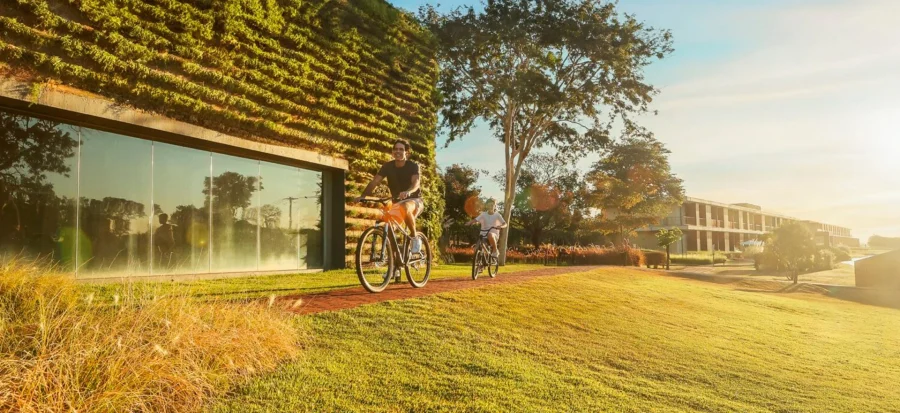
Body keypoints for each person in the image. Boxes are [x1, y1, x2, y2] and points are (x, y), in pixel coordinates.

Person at [354, 139, 425, 254]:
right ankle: (395, 264)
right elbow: (375, 181)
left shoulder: (413, 166)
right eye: (395, 149)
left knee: (405, 206)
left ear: (407, 152)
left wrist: (408, 192)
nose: (398, 151)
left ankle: (414, 238)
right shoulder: (388, 166)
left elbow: (416, 183)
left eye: (401, 149)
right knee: (389, 227)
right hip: (397, 202)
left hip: (415, 200)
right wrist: (363, 196)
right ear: (392, 152)